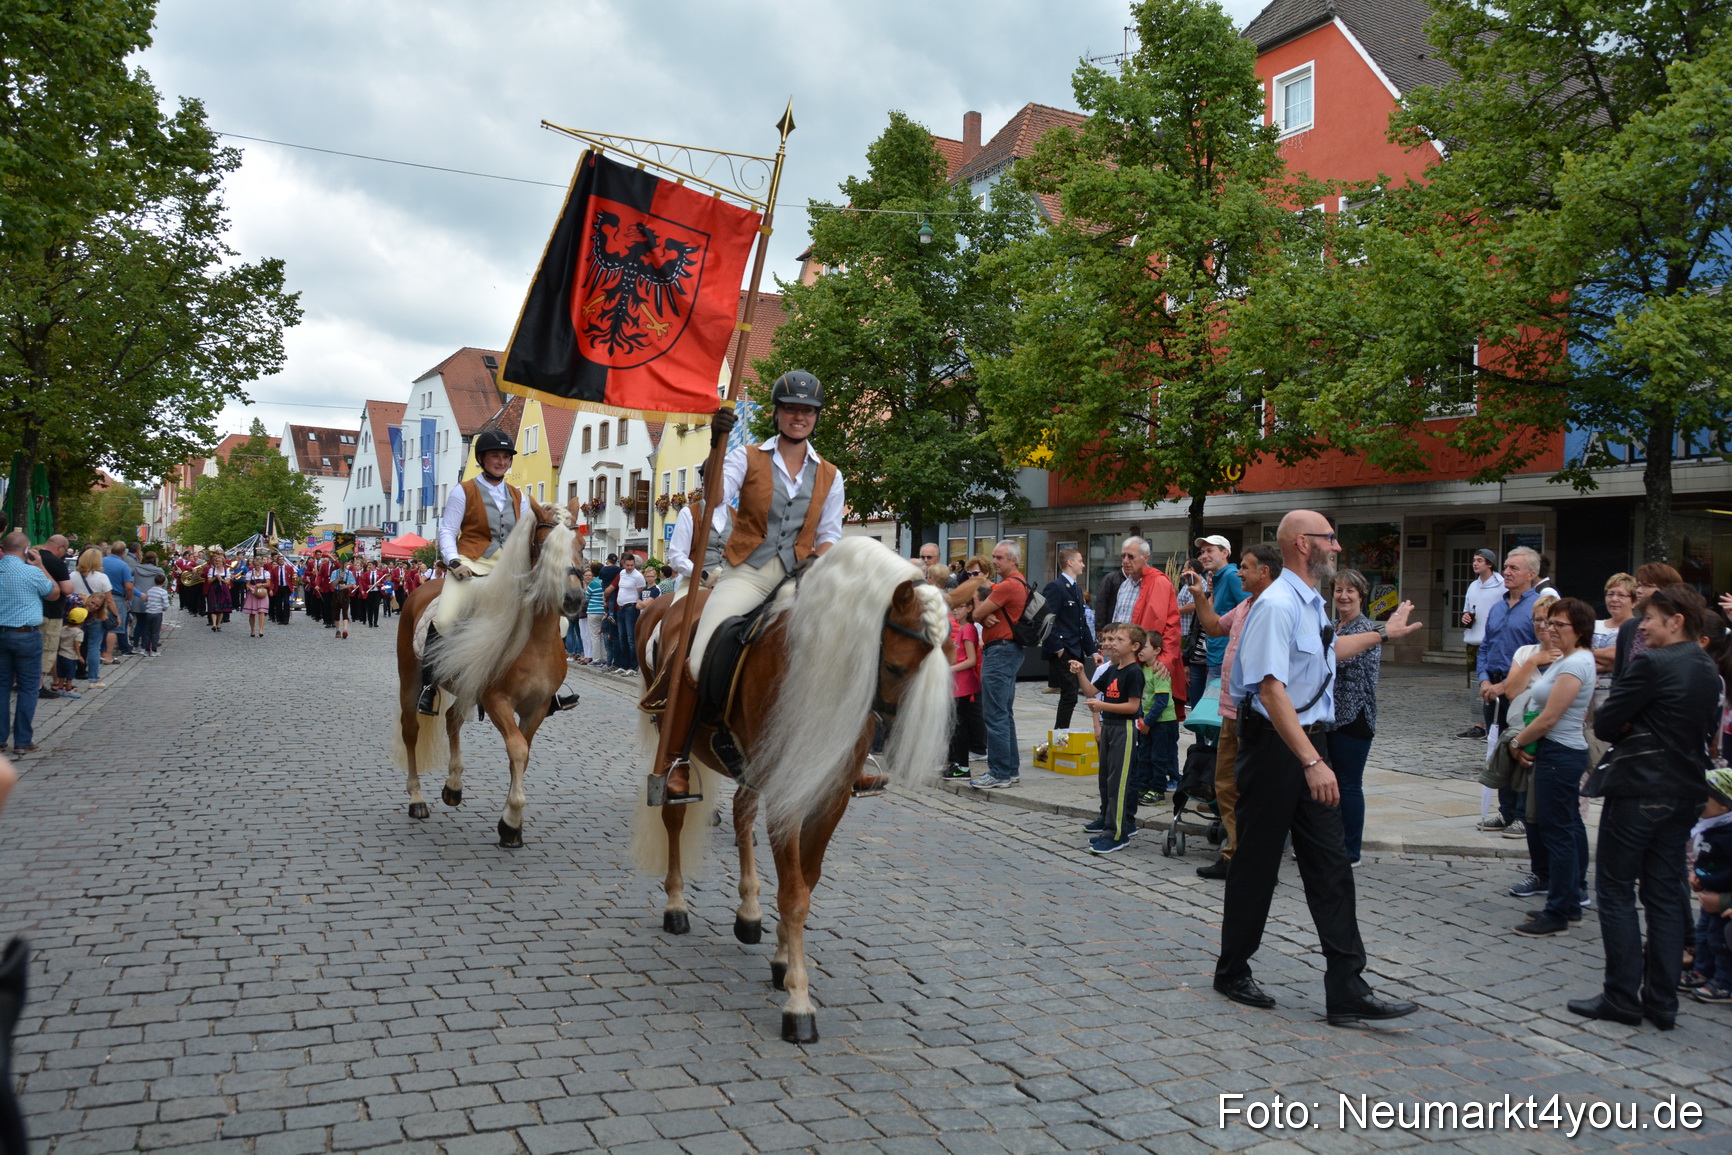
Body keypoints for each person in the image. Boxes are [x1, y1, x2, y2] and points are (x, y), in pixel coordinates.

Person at [1212, 510, 1416, 1026]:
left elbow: (1328, 653)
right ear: (1304, 543)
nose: (1337, 547)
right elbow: (1270, 689)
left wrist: (1383, 634)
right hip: (1278, 750)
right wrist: (1310, 760)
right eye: (1330, 538)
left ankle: (1347, 989)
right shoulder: (1276, 604)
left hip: (1308, 743)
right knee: (1257, 864)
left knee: (1331, 867)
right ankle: (1232, 970)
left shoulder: (1309, 602)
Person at [658, 370, 846, 802]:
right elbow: (715, 495)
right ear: (777, 413)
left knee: (843, 648)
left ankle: (848, 756)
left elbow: (829, 534)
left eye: (808, 411)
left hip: (800, 578)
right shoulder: (747, 456)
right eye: (791, 409)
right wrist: (715, 446)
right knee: (698, 655)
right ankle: (676, 760)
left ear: (816, 417)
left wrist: (816, 562)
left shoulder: (830, 474)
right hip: (747, 573)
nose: (799, 417)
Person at [1570, 586, 1722, 1029]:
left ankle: (1621, 996)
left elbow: (1607, 721)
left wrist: (1632, 721)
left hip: (1641, 788)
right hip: (1685, 791)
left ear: (1676, 620)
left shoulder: (1654, 663)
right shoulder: (1707, 667)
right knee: (1665, 895)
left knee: (1616, 889)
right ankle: (1662, 1002)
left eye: (1650, 618)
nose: (1643, 627)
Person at [421, 429, 533, 714]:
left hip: (509, 569)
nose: (501, 462)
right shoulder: (463, 491)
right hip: (470, 564)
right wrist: (453, 561)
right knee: (446, 619)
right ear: (482, 459)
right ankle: (428, 687)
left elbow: (524, 536)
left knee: (559, 622)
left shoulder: (519, 495)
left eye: (506, 457)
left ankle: (545, 686)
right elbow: (448, 530)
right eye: (495, 456)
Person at [1504, 597, 1597, 935]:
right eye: (1549, 622)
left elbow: (1549, 718)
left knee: (1557, 833)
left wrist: (1517, 742)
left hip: (1560, 754)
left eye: (1560, 624)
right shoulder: (1570, 659)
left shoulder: (1576, 663)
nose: (1551, 629)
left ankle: (1557, 912)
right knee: (1564, 829)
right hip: (1557, 752)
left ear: (1580, 629)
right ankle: (1568, 903)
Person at [1189, 542, 1281, 881]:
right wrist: (1200, 596)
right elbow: (1215, 627)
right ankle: (1236, 853)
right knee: (1226, 785)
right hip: (1232, 712)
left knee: (1253, 788)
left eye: (1245, 566)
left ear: (1264, 571)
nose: (1239, 572)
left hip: (1259, 716)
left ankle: (1254, 858)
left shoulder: (1275, 608)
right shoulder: (1246, 604)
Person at [1475, 547, 1541, 831]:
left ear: (1531, 574)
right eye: (1506, 567)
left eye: (1514, 568)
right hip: (1493, 690)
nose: (1507, 572)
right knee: (1501, 750)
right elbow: (1485, 647)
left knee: (1522, 748)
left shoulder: (1539, 608)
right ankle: (1506, 812)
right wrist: (1484, 680)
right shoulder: (1498, 607)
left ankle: (1523, 816)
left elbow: (1542, 653)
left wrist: (1505, 686)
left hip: (1523, 691)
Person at [1072, 622, 1145, 855]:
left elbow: (1133, 706)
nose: (1113, 644)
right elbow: (1090, 691)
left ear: (1134, 646)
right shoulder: (1113, 669)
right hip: (1109, 728)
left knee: (1118, 783)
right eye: (1112, 640)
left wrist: (1103, 706)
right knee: (1105, 779)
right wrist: (1080, 672)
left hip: (1124, 728)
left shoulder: (1134, 672)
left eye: (1119, 640)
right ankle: (1108, 826)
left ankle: (1117, 834)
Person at [1094, 536, 1184, 713]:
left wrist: (1166, 658)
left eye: (1131, 556)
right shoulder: (1125, 585)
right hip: (1122, 658)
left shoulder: (1159, 582)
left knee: (1144, 709)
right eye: (1123, 556)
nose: (1125, 561)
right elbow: (1117, 622)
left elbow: (1171, 626)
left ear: (1146, 557)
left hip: (1145, 659)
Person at [970, 540, 1030, 789]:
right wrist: (986, 615)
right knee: (1004, 713)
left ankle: (999, 772)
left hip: (1000, 652)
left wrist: (983, 614)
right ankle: (1010, 770)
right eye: (993, 557)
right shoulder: (1020, 583)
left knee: (995, 714)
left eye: (999, 558)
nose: (994, 561)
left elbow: (975, 614)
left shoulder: (1007, 585)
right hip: (1009, 650)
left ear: (1013, 560)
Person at [0, 533, 57, 754]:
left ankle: (0, 738)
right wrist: (41, 566)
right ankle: (23, 740)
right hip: (26, 635)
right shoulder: (31, 572)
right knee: (28, 687)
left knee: (2, 686)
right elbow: (54, 593)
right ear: (26, 550)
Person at [1682, 768, 1732, 1002]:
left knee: (1720, 941)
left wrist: (1725, 901)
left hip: (1724, 899)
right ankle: (1703, 970)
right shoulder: (1710, 826)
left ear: (1723, 806)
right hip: (1710, 892)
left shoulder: (1728, 833)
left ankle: (1725, 982)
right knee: (1703, 935)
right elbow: (1705, 857)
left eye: (1704, 797)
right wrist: (1697, 875)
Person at [1041, 547, 1094, 730]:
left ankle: (1061, 734)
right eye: (1080, 561)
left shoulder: (1076, 590)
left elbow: (1082, 623)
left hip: (1076, 649)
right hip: (1064, 650)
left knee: (1070, 695)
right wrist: (1059, 648)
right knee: (1069, 695)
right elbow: (1048, 620)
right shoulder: (1055, 587)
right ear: (1070, 562)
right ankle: (1060, 735)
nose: (1083, 565)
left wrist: (1092, 651)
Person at [1458, 548, 1504, 737]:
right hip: (1473, 640)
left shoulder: (1502, 585)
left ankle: (1494, 723)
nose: (1475, 563)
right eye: (1474, 560)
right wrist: (1465, 617)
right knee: (1475, 683)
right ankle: (1479, 725)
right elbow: (1467, 610)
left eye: (1479, 560)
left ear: (1490, 564)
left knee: (1492, 681)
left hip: (1493, 641)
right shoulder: (1473, 586)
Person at [1132, 631, 1179, 811]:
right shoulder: (1141, 669)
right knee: (1144, 755)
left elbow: (1161, 702)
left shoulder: (1159, 671)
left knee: (1159, 758)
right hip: (1147, 722)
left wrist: (1148, 722)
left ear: (1157, 650)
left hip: (1163, 723)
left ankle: (1158, 790)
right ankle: (1143, 787)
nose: (1140, 651)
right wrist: (1141, 717)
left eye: (1144, 647)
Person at [944, 586, 983, 780]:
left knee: (961, 726)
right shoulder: (961, 628)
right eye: (954, 608)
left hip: (964, 684)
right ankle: (957, 763)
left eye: (959, 607)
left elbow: (971, 660)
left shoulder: (968, 629)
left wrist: (949, 669)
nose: (955, 611)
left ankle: (963, 767)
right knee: (956, 725)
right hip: (957, 684)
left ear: (969, 608)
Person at [70, 548, 113, 688]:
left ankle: (68, 677)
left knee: (73, 644)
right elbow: (109, 599)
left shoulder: (73, 575)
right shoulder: (102, 577)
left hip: (78, 613)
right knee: (94, 646)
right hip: (96, 614)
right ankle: (93, 678)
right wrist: (116, 615)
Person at [34, 535, 70, 701]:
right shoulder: (57, 563)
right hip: (51, 612)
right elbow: (67, 589)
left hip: (32, 611)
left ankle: (20, 681)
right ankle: (38, 685)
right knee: (47, 649)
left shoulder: (30, 557)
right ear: (61, 547)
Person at [101, 542, 136, 658]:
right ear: (123, 552)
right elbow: (129, 586)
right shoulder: (123, 565)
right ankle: (110, 653)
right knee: (115, 626)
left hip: (100, 596)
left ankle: (101, 650)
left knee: (102, 624)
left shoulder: (102, 561)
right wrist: (129, 598)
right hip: (117, 597)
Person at [612, 553, 645, 672]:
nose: (630, 567)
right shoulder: (622, 573)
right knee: (622, 637)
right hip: (621, 608)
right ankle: (624, 664)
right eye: (628, 565)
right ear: (623, 564)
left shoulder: (638, 576)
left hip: (631, 608)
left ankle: (633, 665)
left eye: (632, 565)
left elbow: (640, 592)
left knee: (631, 638)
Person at [242, 551, 272, 637]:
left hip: (262, 592)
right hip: (253, 593)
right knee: (252, 612)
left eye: (258, 565)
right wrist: (251, 588)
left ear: (261, 564)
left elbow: (268, 583)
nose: (256, 567)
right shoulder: (250, 573)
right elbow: (247, 584)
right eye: (255, 565)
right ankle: (252, 630)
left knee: (262, 611)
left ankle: (261, 629)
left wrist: (261, 584)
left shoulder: (265, 573)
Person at [202, 548, 232, 631]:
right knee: (213, 607)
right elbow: (209, 581)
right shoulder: (212, 570)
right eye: (216, 561)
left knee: (221, 608)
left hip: (223, 589)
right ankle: (214, 624)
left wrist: (221, 579)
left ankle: (218, 624)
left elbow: (227, 582)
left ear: (223, 562)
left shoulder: (226, 571)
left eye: (219, 561)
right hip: (214, 589)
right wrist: (215, 577)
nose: (217, 563)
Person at [139, 574, 168, 655]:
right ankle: (154, 650)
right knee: (155, 632)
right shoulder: (163, 592)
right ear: (164, 582)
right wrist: (163, 609)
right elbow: (166, 605)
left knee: (148, 631)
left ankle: (147, 649)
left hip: (148, 613)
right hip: (157, 613)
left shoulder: (150, 590)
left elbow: (146, 602)